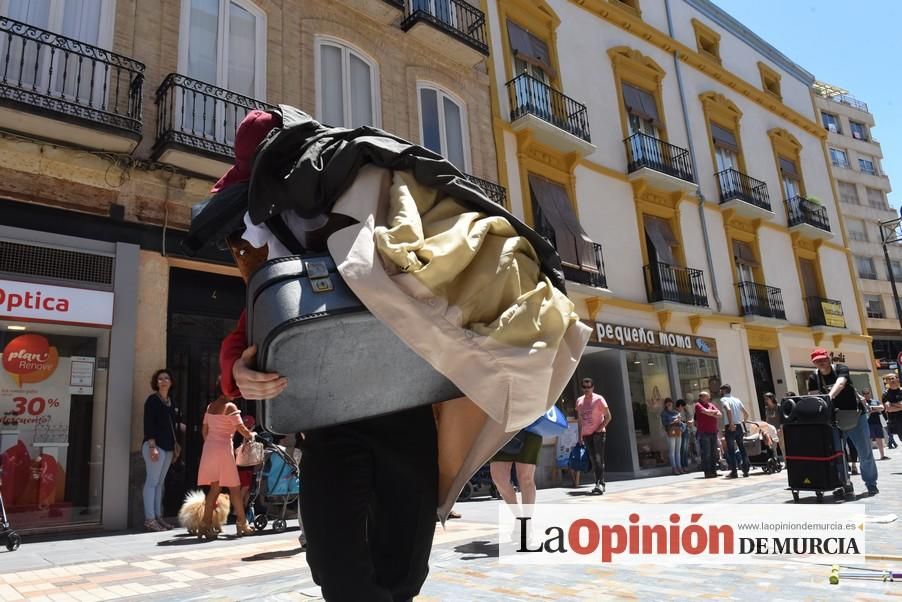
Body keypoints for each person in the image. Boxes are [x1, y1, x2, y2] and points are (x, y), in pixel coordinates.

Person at [807, 348, 878, 496]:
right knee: (837, 455)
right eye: (817, 361)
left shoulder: (841, 368)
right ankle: (845, 483)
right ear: (814, 363)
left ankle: (871, 484)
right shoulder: (814, 378)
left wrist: (828, 396)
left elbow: (840, 383)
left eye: (823, 359)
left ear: (829, 359)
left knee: (864, 452)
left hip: (855, 416)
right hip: (833, 420)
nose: (822, 362)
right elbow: (813, 397)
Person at [197, 394, 254, 539]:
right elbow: (241, 428)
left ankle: (205, 525)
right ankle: (242, 524)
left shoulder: (210, 407)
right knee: (235, 488)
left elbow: (204, 432)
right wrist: (251, 435)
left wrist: (212, 442)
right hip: (224, 450)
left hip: (209, 449)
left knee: (214, 488)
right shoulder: (230, 407)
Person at [141, 369, 183, 532]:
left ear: (171, 382)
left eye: (167, 378)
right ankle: (149, 519)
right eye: (160, 379)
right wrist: (152, 446)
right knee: (152, 483)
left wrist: (175, 444)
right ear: (156, 382)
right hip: (155, 446)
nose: (164, 381)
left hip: (168, 447)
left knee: (160, 484)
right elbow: (148, 423)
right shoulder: (152, 400)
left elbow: (172, 426)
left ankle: (158, 517)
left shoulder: (171, 401)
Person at [489, 430, 541, 540]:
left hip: (530, 427)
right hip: (502, 428)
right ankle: (519, 516)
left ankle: (526, 523)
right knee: (499, 478)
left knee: (525, 478)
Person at [575, 378, 611, 494]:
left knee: (598, 458)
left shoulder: (599, 399)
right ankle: (601, 483)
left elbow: (608, 417)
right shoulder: (579, 401)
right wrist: (579, 435)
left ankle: (599, 484)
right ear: (582, 388)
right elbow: (580, 420)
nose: (586, 389)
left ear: (593, 387)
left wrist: (599, 429)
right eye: (584, 387)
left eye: (589, 387)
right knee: (593, 460)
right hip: (586, 435)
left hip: (598, 434)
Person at [719, 384, 750, 478]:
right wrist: (743, 421)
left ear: (724, 391)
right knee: (742, 448)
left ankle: (734, 471)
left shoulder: (724, 399)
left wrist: (731, 423)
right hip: (739, 425)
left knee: (731, 449)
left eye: (721, 390)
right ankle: (746, 470)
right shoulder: (737, 400)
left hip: (730, 425)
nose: (720, 392)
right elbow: (746, 413)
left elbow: (728, 410)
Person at [694, 391, 721, 478]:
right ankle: (708, 472)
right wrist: (714, 412)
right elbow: (705, 411)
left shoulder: (711, 404)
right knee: (706, 453)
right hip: (704, 432)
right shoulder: (698, 405)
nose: (708, 398)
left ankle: (714, 471)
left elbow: (720, 415)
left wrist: (711, 413)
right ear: (701, 397)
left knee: (714, 452)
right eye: (707, 397)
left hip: (713, 431)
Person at [864, 389, 889, 461]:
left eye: (868, 393)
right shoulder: (863, 402)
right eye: (865, 394)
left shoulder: (875, 401)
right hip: (868, 423)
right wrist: (876, 409)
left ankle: (882, 456)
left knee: (879, 439)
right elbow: (866, 411)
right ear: (863, 395)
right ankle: (869, 457)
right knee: (869, 440)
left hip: (877, 422)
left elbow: (882, 408)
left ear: (870, 394)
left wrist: (872, 409)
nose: (867, 395)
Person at [660, 398, 683, 475]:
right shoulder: (664, 413)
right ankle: (674, 468)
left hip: (678, 431)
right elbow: (665, 424)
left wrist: (679, 421)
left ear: (672, 403)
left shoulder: (676, 412)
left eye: (670, 402)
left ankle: (679, 467)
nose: (669, 404)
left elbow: (681, 423)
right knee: (672, 451)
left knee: (678, 451)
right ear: (665, 404)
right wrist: (674, 421)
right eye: (667, 402)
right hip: (670, 431)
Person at [883, 374, 902, 450]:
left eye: (893, 378)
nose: (892, 380)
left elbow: (891, 407)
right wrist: (899, 405)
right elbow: (888, 409)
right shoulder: (885, 394)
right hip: (896, 422)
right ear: (887, 381)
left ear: (897, 379)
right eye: (889, 379)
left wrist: (892, 404)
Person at [763, 393, 783, 461]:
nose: (765, 400)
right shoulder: (767, 408)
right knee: (773, 447)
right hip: (771, 430)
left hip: (779, 429)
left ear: (771, 398)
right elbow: (767, 419)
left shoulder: (778, 407)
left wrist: (780, 427)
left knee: (782, 446)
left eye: (767, 398)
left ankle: (786, 463)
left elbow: (782, 418)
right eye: (765, 399)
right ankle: (776, 462)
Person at [675, 399, 693, 471]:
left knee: (685, 449)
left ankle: (684, 465)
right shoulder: (675, 413)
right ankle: (682, 466)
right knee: (681, 449)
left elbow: (690, 416)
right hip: (679, 431)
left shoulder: (684, 411)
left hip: (685, 430)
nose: (683, 409)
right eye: (683, 407)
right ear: (680, 406)